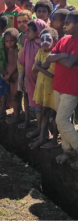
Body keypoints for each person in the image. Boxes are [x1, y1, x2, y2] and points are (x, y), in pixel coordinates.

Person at [42, 11, 78, 167]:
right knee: (64, 120)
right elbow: (48, 58)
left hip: (71, 88)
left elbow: (70, 63)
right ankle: (68, 151)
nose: (64, 25)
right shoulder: (64, 39)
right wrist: (65, 56)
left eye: (68, 23)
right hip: (58, 86)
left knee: (61, 120)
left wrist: (59, 56)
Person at [29, 28, 59, 149]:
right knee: (44, 113)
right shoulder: (41, 51)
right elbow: (33, 68)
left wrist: (39, 67)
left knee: (54, 114)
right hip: (43, 88)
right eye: (42, 39)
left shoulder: (55, 55)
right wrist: (40, 68)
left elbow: (51, 74)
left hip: (52, 90)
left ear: (55, 41)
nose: (45, 41)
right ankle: (43, 137)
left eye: (48, 39)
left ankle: (54, 140)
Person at [19, 19, 47, 138]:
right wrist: (22, 77)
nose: (26, 33)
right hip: (30, 81)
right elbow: (23, 61)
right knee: (36, 107)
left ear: (38, 32)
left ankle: (43, 132)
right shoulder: (27, 42)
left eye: (29, 31)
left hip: (42, 82)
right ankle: (39, 129)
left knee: (42, 107)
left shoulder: (44, 46)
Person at [16, 10, 34, 128]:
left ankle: (40, 125)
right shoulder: (19, 36)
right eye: (19, 22)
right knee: (25, 95)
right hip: (21, 69)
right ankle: (27, 119)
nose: (22, 24)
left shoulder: (34, 37)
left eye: (25, 21)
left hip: (33, 71)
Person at [3, 28, 22, 125]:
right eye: (7, 41)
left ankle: (17, 115)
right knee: (12, 95)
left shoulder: (15, 50)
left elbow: (16, 64)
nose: (9, 43)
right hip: (10, 76)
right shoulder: (8, 50)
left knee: (15, 96)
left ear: (16, 40)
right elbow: (8, 63)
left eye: (12, 41)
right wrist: (6, 73)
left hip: (16, 75)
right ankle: (16, 112)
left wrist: (9, 74)